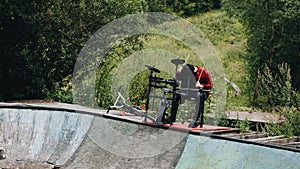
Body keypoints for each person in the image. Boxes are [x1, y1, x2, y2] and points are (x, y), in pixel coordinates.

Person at [173, 63, 213, 128]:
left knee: (199, 96)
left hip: (201, 92)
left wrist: (201, 85)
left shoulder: (203, 72)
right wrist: (178, 70)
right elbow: (179, 78)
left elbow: (210, 85)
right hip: (190, 91)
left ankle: (195, 120)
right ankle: (172, 118)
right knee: (177, 95)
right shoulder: (186, 71)